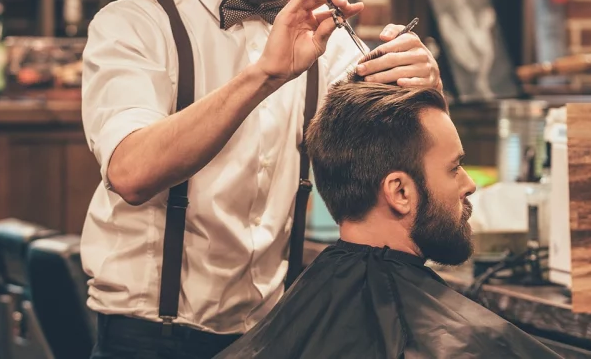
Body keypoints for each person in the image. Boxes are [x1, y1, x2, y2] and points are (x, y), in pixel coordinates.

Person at [79, 0, 440, 357]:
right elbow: (131, 172)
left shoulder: (326, 42)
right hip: (148, 338)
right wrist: (265, 75)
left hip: (275, 336)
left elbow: (410, 177)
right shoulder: (134, 25)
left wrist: (427, 96)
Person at [214, 82, 561, 359]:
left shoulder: (291, 322)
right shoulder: (462, 342)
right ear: (400, 192)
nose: (468, 184)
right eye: (454, 167)